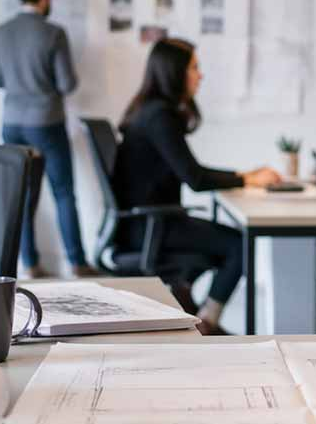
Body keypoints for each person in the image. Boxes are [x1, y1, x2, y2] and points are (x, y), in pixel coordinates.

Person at [110, 38, 282, 333]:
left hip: (146, 224)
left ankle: (191, 310)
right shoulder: (159, 117)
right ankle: (208, 324)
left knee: (220, 246)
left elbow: (191, 172)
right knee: (240, 245)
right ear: (174, 72)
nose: (200, 75)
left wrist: (243, 175)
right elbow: (195, 179)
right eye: (194, 68)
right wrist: (247, 178)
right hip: (152, 228)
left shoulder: (149, 110)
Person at [0, 0, 96, 279]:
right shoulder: (54, 33)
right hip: (46, 122)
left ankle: (30, 264)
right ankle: (77, 262)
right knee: (63, 192)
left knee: (23, 195)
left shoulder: (0, 32)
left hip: (12, 123)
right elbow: (67, 84)